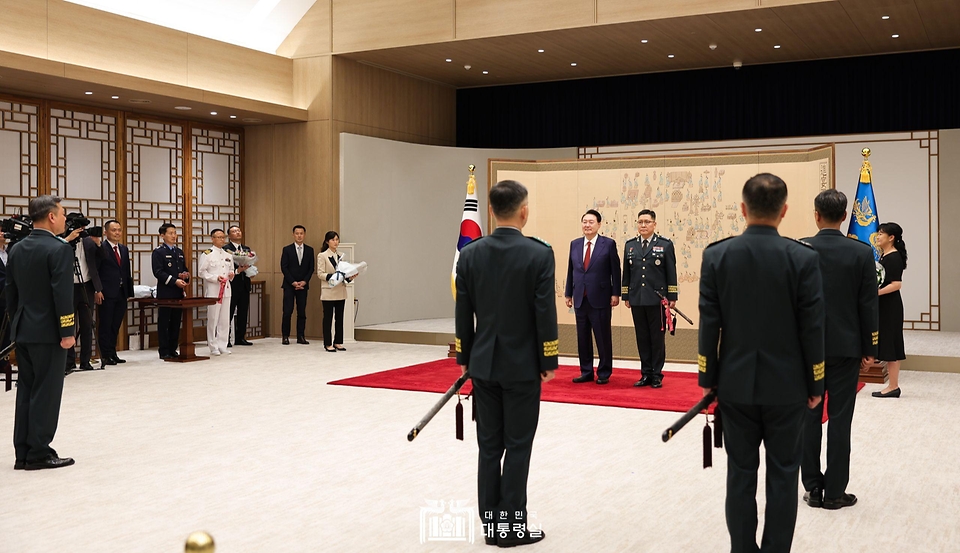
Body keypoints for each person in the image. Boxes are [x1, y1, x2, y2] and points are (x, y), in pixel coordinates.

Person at [698, 173, 824, 553]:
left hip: (735, 386)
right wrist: (816, 384)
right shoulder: (803, 258)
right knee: (784, 476)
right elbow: (812, 329)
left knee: (740, 475)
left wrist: (707, 377)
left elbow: (709, 325)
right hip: (788, 388)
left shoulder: (716, 255)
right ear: (784, 211)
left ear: (742, 209)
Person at [455, 179, 557, 547]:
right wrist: (549, 358)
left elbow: (462, 314)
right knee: (518, 446)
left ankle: (491, 525)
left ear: (491, 211)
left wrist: (464, 358)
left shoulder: (470, 254)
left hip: (483, 364)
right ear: (524, 211)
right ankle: (511, 527)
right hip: (523, 366)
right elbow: (544, 312)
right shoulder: (539, 254)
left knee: (489, 447)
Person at [800, 190, 879, 511]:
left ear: (816, 215)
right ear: (845, 216)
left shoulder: (799, 249)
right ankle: (835, 491)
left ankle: (812, 487)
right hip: (847, 348)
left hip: (807, 351)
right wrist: (870, 346)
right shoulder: (860, 252)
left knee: (808, 417)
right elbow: (868, 304)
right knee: (840, 419)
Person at [8, 195, 77, 470]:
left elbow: (10, 294)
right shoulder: (59, 249)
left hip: (24, 330)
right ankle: (39, 452)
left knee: (26, 390)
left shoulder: (17, 248)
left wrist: (17, 326)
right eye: (61, 214)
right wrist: (68, 330)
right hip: (49, 333)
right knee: (47, 392)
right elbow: (62, 294)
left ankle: (23, 451)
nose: (63, 219)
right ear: (50, 216)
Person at [621, 209, 677, 388]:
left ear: (654, 224)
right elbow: (626, 273)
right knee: (642, 337)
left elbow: (671, 272)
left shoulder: (665, 245)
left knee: (657, 338)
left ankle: (656, 374)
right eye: (640, 222)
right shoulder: (630, 245)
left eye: (646, 222)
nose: (643, 225)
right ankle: (645, 373)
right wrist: (626, 295)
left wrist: (672, 296)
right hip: (637, 298)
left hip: (657, 299)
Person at [565, 209, 620, 384]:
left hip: (601, 297)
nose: (587, 225)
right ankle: (586, 371)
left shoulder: (608, 244)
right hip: (580, 297)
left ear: (599, 224)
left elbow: (615, 271)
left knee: (602, 337)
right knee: (582, 337)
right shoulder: (575, 244)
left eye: (591, 222)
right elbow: (571, 270)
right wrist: (568, 293)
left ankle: (604, 372)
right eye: (584, 222)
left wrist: (615, 293)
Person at [872, 222, 907, 398]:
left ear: (891, 238)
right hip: (884, 305)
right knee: (886, 343)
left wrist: (876, 292)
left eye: (881, 234)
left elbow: (896, 284)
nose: (877, 236)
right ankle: (892, 385)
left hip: (890, 306)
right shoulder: (885, 256)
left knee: (892, 345)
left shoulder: (893, 257)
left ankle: (893, 386)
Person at [97, 220, 133, 367]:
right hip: (106, 292)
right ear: (106, 232)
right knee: (105, 324)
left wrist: (129, 291)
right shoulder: (101, 248)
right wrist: (97, 290)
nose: (117, 233)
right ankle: (105, 355)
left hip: (121, 292)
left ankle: (113, 352)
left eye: (119, 230)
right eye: (114, 230)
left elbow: (126, 271)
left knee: (116, 324)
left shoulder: (123, 249)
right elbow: (96, 271)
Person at [152, 223, 189, 360]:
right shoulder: (158, 252)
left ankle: (173, 348)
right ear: (162, 236)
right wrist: (174, 281)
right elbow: (158, 272)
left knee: (175, 322)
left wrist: (186, 276)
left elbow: (183, 269)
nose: (174, 236)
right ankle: (164, 350)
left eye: (175, 233)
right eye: (170, 233)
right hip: (166, 293)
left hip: (178, 292)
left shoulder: (179, 252)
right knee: (164, 322)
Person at [67, 231, 103, 373]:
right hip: (69, 286)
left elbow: (103, 258)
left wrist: (98, 243)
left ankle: (85, 360)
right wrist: (68, 239)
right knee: (68, 324)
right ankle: (69, 361)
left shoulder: (89, 241)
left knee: (87, 324)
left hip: (87, 286)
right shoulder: (64, 241)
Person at [198, 229, 234, 356]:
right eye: (218, 237)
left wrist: (231, 275)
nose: (221, 240)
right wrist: (214, 277)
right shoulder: (207, 254)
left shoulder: (228, 254)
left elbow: (231, 270)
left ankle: (222, 344)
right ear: (212, 239)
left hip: (226, 290)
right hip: (214, 290)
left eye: (223, 237)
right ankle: (213, 345)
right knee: (213, 318)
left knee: (225, 319)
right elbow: (201, 272)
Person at [317, 231, 353, 352]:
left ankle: (338, 341)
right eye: (333, 240)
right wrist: (333, 276)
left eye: (337, 239)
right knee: (328, 318)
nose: (335, 242)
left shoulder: (341, 255)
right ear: (327, 241)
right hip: (329, 291)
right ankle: (328, 343)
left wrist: (350, 277)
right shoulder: (322, 255)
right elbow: (320, 274)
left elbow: (344, 274)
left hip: (340, 291)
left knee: (339, 318)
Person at [280, 225, 314, 345]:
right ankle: (285, 336)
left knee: (302, 312)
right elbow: (284, 267)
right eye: (297, 233)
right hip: (290, 285)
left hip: (303, 285)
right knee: (288, 311)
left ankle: (301, 336)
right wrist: (293, 282)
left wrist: (304, 281)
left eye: (301, 233)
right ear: (293, 235)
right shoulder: (287, 249)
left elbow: (311, 268)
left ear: (304, 235)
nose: (299, 235)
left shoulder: (310, 250)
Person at [224, 225, 253, 346]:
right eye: (234, 231)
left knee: (243, 312)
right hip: (232, 284)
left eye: (238, 231)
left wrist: (250, 270)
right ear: (229, 236)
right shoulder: (226, 249)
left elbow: (249, 262)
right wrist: (238, 269)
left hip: (244, 283)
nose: (237, 233)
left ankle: (240, 337)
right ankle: (225, 338)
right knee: (228, 312)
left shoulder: (246, 248)